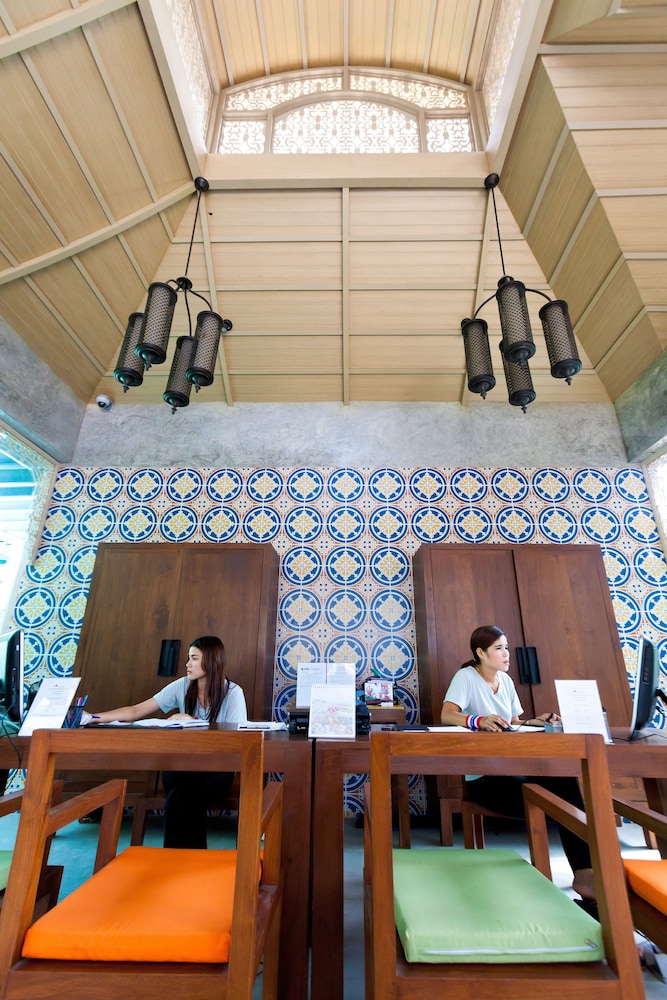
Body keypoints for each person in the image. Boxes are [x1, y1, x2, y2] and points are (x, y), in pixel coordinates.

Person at [441, 625, 596, 904]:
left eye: (507, 648)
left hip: (515, 768)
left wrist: (537, 721)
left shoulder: (506, 680)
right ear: (480, 653)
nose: (506, 654)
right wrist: (479, 720)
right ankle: (580, 875)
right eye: (499, 648)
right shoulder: (466, 677)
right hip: (485, 780)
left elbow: (512, 722)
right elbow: (447, 714)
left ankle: (586, 873)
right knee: (559, 806)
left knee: (564, 781)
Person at [87, 636, 247, 848]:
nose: (187, 664)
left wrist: (195, 722)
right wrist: (93, 717)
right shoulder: (182, 686)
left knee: (180, 796)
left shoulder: (233, 693)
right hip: (182, 766)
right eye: (188, 658)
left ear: (212, 660)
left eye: (194, 658)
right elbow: (136, 710)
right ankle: (192, 858)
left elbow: (238, 740)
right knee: (183, 790)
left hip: (217, 770)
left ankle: (176, 857)